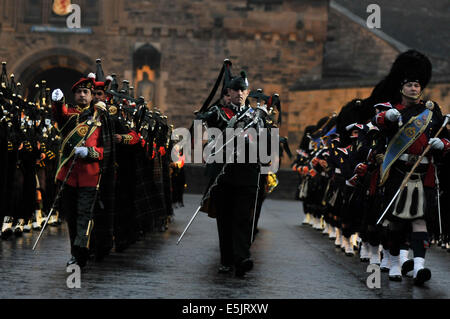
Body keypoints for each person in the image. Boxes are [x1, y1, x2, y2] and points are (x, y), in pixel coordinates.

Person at [372, 50, 450, 285]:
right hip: (399, 171)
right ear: (402, 88)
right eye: (410, 85)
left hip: (423, 174)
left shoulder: (431, 111)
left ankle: (418, 267)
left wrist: (441, 143)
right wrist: (389, 117)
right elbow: (378, 124)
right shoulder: (391, 110)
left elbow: (445, 139)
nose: (414, 89)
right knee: (396, 221)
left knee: (420, 220)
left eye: (417, 85)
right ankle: (394, 261)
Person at [51, 76, 115, 268]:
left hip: (90, 176)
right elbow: (59, 114)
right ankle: (75, 252)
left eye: (85, 92)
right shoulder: (69, 115)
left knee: (84, 216)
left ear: (91, 96)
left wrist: (91, 152)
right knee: (71, 218)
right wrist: (57, 101)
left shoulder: (101, 117)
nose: (81, 95)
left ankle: (80, 255)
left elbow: (108, 149)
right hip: (68, 176)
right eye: (78, 92)